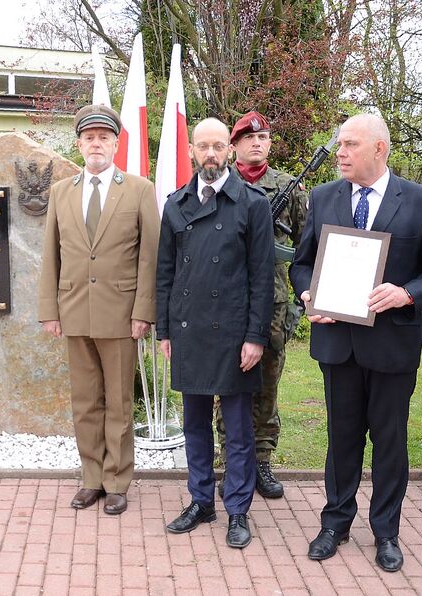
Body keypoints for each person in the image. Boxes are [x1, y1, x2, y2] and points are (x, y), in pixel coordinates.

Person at [289, 113, 422, 571]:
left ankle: (386, 532)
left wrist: (406, 293)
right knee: (341, 439)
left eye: (349, 144)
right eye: (339, 144)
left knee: (390, 442)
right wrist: (309, 292)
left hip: (391, 347)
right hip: (337, 345)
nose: (339, 152)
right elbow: (301, 264)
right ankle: (335, 522)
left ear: (379, 149)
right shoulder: (323, 198)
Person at [38, 104, 159, 515]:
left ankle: (117, 478)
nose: (96, 144)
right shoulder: (61, 192)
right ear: (78, 144)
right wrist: (49, 310)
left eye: (103, 137)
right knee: (85, 400)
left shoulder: (140, 190)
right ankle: (91, 478)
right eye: (89, 137)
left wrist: (144, 309)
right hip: (74, 310)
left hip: (122, 312)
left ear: (115, 143)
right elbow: (50, 255)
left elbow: (150, 257)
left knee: (120, 401)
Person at [158, 118, 274, 549]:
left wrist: (256, 337)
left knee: (239, 431)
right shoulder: (176, 203)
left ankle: (238, 510)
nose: (211, 154)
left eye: (219, 146)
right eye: (203, 146)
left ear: (229, 149)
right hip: (189, 333)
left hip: (233, 334)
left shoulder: (251, 203)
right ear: (192, 149)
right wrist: (165, 331)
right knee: (195, 426)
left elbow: (262, 278)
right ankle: (201, 500)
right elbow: (164, 273)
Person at [215, 110, 308, 499]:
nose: (258, 143)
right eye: (249, 138)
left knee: (267, 386)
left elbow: (306, 252)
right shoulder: (218, 185)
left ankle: (262, 462)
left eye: (264, 137)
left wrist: (297, 309)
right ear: (234, 145)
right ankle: (230, 463)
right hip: (227, 304)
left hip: (273, 307)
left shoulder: (289, 188)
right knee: (227, 385)